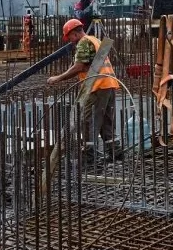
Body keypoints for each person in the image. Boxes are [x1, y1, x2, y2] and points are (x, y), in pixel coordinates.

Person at [47, 19, 121, 163]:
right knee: (106, 122)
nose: (70, 41)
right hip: (109, 84)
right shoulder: (94, 39)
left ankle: (89, 156)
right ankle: (115, 153)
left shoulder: (83, 42)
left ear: (74, 34)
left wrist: (58, 78)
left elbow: (79, 66)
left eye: (69, 38)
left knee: (87, 121)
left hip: (97, 86)